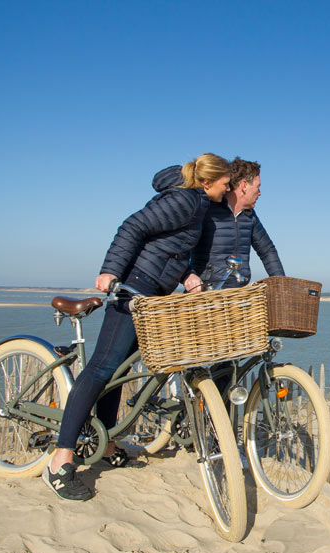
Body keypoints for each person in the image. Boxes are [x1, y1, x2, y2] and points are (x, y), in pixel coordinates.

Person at [43, 153, 231, 501]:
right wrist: (110, 270)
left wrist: (186, 274)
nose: (228, 187)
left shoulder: (197, 203)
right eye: (225, 182)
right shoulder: (185, 200)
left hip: (153, 290)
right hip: (134, 286)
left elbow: (169, 248)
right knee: (101, 367)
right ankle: (60, 460)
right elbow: (133, 226)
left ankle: (108, 438)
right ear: (207, 182)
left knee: (119, 371)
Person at [181, 157, 284, 292]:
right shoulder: (207, 210)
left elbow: (267, 251)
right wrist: (187, 275)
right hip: (206, 293)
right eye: (258, 187)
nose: (260, 193)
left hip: (237, 295)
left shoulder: (250, 215)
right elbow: (180, 248)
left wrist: (282, 285)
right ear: (244, 185)